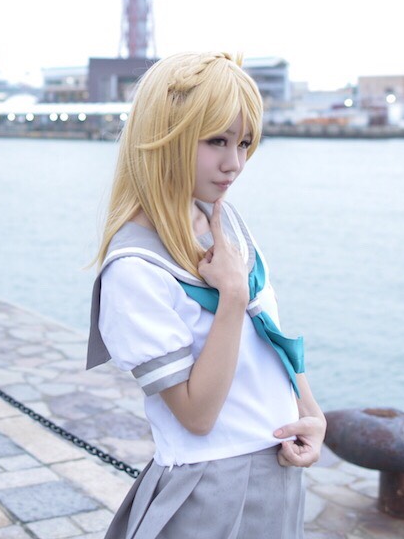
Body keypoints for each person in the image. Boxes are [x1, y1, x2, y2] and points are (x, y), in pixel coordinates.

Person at [86, 51, 325, 538]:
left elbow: (266, 334)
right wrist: (231, 297)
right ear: (166, 133)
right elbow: (196, 415)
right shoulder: (135, 266)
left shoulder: (224, 220)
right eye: (217, 140)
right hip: (207, 488)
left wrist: (310, 413)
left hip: (277, 471)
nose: (234, 163)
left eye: (244, 142)